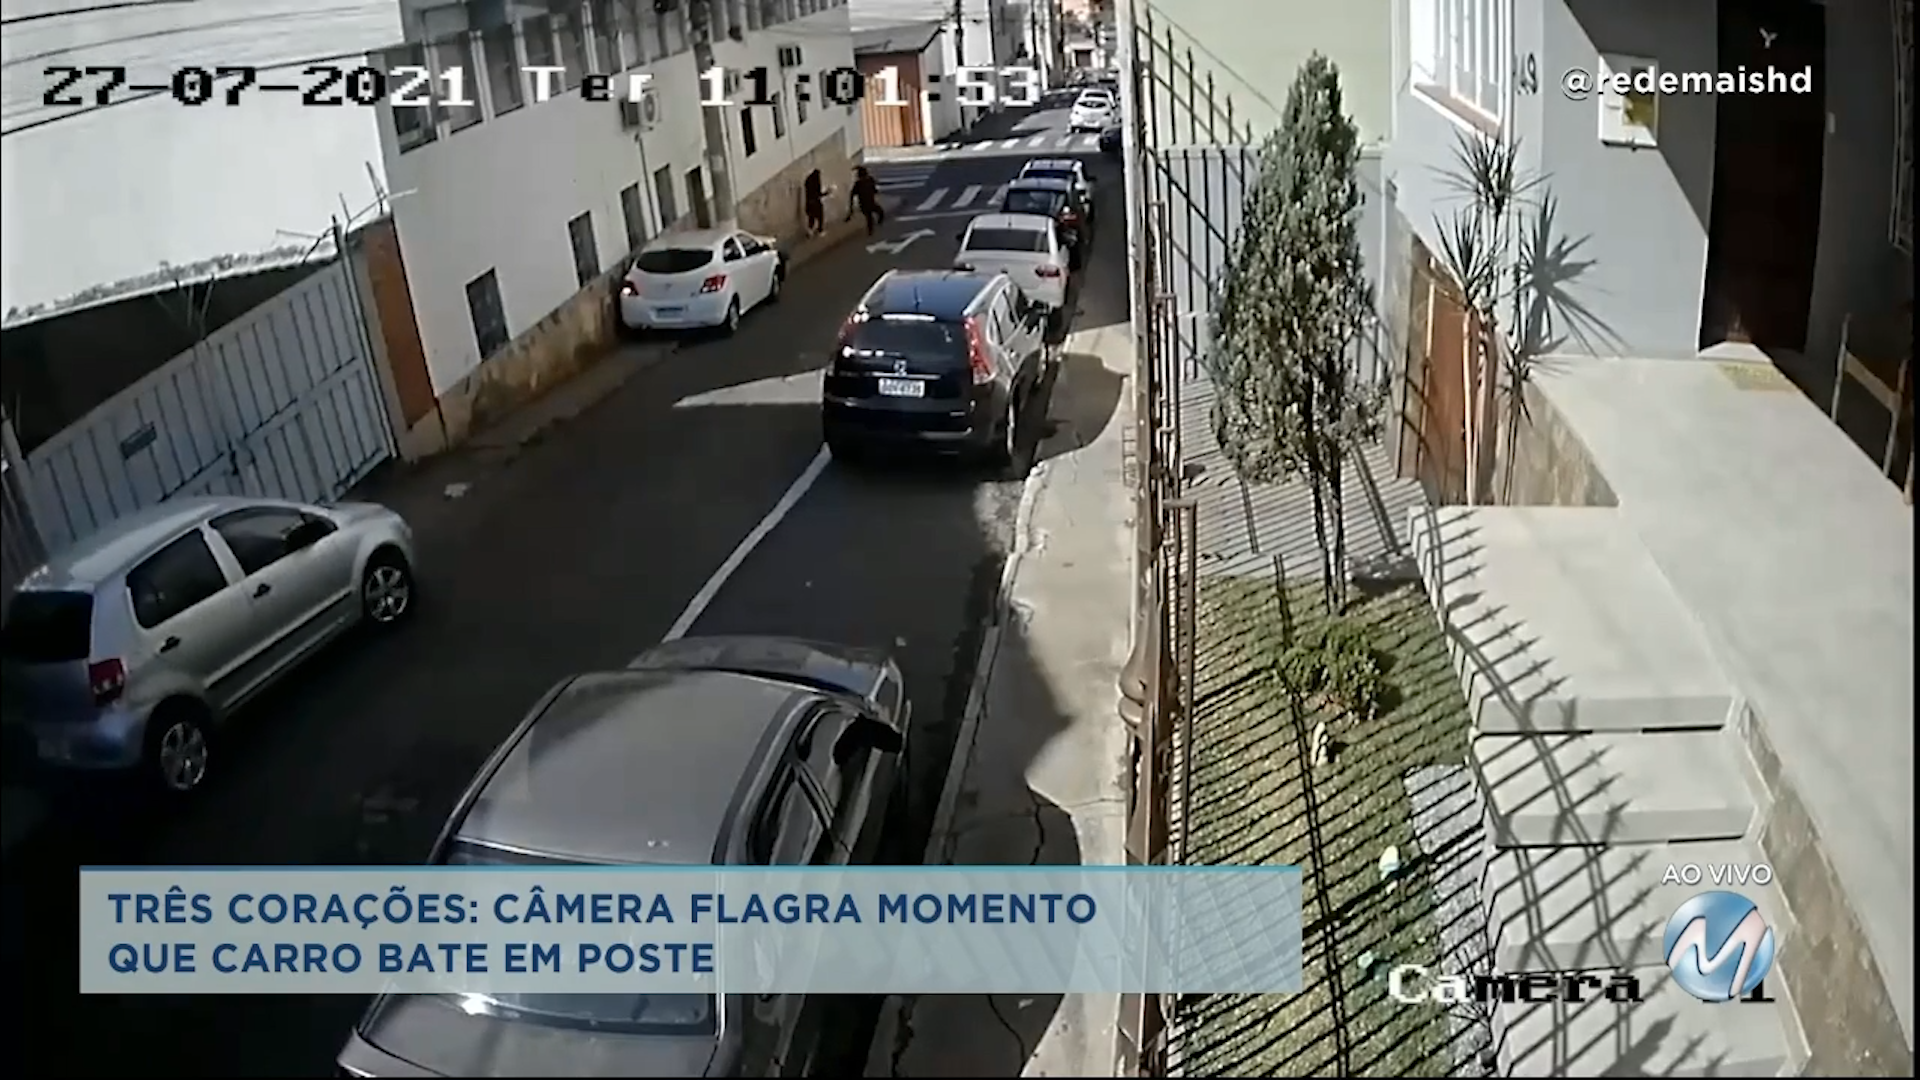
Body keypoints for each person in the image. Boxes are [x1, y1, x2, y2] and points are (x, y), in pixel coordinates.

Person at [846, 166, 885, 235]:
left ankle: (871, 229)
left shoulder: (859, 183)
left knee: (870, 216)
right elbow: (874, 189)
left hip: (865, 204)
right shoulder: (866, 181)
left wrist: (851, 208)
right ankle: (873, 228)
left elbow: (852, 194)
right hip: (869, 203)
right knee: (877, 213)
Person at [802, 169, 826, 236]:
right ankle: (820, 230)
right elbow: (818, 194)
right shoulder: (816, 182)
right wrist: (827, 192)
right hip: (816, 203)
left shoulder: (808, 181)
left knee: (811, 218)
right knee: (820, 216)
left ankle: (810, 231)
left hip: (809, 203)